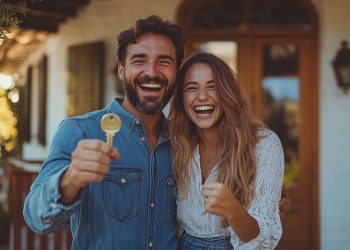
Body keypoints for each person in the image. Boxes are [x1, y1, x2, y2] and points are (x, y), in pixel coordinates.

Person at [23, 15, 186, 249]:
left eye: (164, 61)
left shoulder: (184, 141)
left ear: (176, 73)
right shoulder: (80, 131)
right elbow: (36, 219)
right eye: (139, 60)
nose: (152, 71)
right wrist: (71, 179)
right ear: (121, 70)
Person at [169, 51, 285, 249]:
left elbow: (258, 238)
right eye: (191, 88)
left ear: (227, 93)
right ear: (181, 99)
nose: (202, 96)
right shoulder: (175, 142)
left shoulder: (264, 144)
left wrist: (233, 210)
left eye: (212, 87)